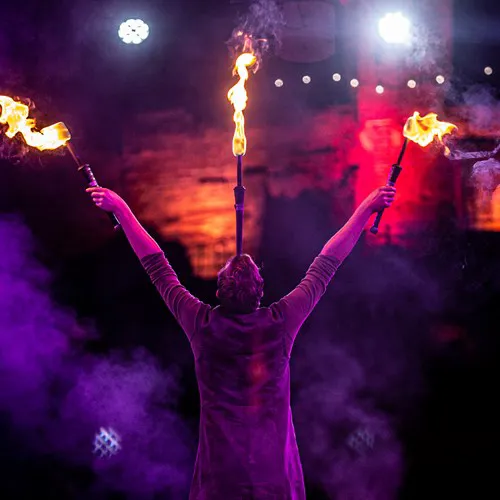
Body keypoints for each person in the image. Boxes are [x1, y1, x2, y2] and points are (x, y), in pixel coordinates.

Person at [87, 184, 396, 500]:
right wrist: (364, 210)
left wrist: (122, 210)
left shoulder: (201, 324)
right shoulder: (280, 322)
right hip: (273, 478)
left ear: (219, 290)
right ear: (260, 291)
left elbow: (157, 266)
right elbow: (326, 263)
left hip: (222, 479)